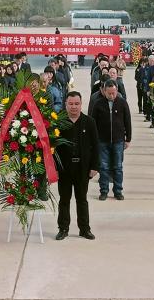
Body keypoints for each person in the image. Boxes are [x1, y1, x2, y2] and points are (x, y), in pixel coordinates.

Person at [56, 92, 99, 240]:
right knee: (64, 200)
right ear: (65, 104)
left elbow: (96, 146)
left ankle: (84, 229)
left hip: (83, 168)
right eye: (71, 104)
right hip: (64, 169)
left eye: (76, 104)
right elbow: (53, 147)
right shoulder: (59, 122)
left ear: (81, 104)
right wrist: (54, 168)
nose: (74, 107)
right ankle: (63, 228)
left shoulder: (89, 122)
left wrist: (95, 166)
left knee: (82, 199)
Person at [90, 79, 132, 201]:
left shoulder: (122, 103)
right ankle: (104, 191)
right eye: (109, 93)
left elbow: (127, 121)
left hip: (118, 141)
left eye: (113, 93)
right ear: (104, 91)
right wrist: (93, 140)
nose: (111, 95)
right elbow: (93, 123)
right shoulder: (98, 104)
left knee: (118, 167)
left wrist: (128, 138)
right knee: (104, 167)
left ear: (117, 90)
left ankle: (118, 191)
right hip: (102, 141)